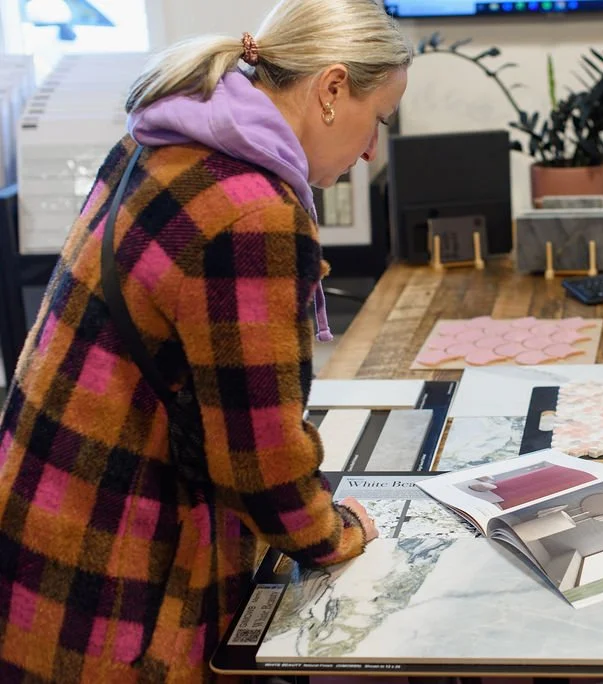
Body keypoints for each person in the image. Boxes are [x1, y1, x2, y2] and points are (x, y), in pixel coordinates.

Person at [0, 0, 410, 680]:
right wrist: (337, 533)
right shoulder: (251, 211)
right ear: (333, 89)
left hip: (36, 522)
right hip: (113, 577)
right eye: (381, 120)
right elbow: (259, 461)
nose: (373, 150)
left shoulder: (160, 140)